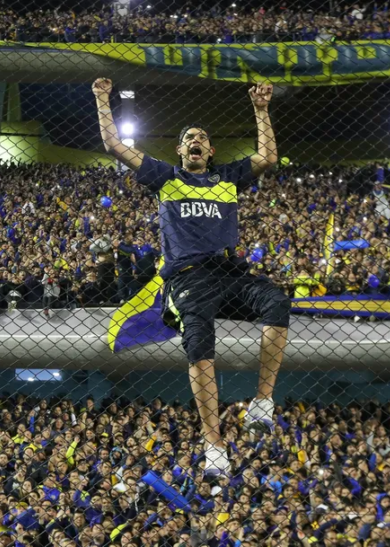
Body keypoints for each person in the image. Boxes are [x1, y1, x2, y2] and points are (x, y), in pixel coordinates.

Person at [92, 77, 291, 476]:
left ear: (210, 150)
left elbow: (267, 156)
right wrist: (102, 99)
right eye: (188, 138)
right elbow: (115, 146)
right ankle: (213, 441)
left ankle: (263, 401)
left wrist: (261, 110)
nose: (195, 140)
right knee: (200, 345)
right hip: (187, 278)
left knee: (278, 303)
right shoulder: (165, 178)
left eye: (202, 137)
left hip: (230, 273)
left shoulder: (228, 179)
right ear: (181, 151)